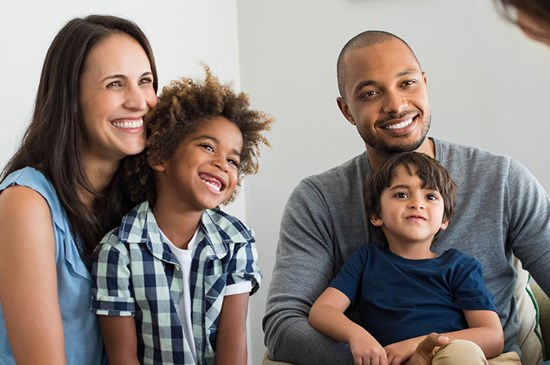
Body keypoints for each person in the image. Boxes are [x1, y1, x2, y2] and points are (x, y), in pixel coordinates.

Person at [263, 30, 550, 365]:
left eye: (407, 83)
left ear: (425, 83)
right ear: (347, 110)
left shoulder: (501, 179)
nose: (396, 105)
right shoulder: (319, 201)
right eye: (370, 93)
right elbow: (285, 324)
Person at [0, 14, 158, 365]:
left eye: (145, 81)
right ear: (71, 96)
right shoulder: (26, 204)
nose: (139, 101)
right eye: (115, 84)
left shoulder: (141, 201)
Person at [92, 67, 273, 365]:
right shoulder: (117, 251)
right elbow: (123, 356)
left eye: (232, 160)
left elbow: (232, 337)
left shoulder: (237, 241)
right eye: (207, 146)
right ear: (160, 156)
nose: (222, 164)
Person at [309, 152, 520, 365]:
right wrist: (356, 335)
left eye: (430, 196)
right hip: (399, 362)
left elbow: (492, 336)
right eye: (401, 195)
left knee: (461, 354)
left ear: (444, 219)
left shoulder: (459, 266)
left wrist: (414, 344)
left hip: (454, 356)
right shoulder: (366, 260)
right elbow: (322, 310)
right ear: (376, 215)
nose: (416, 203)